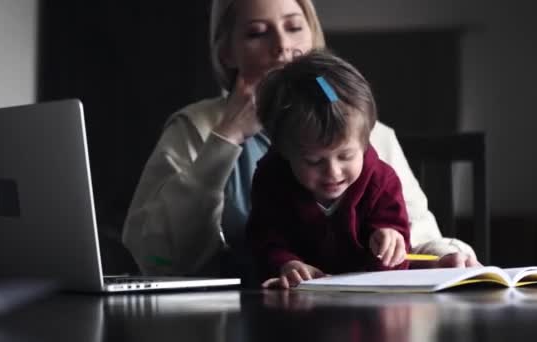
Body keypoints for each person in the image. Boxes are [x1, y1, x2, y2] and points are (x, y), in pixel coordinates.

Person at [122, 0, 480, 280]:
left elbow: (415, 234)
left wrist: (443, 254)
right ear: (225, 51)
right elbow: (158, 258)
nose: (283, 46)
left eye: (294, 27)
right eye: (257, 33)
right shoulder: (193, 129)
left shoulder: (367, 134)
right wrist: (226, 136)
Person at [248, 50, 411, 288]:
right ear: (284, 151)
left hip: (367, 301)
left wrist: (390, 240)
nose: (333, 172)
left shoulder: (381, 180)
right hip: (296, 306)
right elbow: (263, 241)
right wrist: (287, 264)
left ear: (364, 143)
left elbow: (399, 253)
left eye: (346, 156)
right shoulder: (271, 178)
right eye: (314, 161)